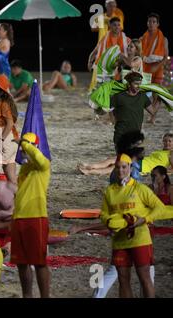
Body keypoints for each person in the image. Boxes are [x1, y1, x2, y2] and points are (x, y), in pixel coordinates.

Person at [100, 153, 166, 298]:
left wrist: (145, 219)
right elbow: (103, 213)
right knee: (123, 281)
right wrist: (109, 222)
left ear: (130, 167)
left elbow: (160, 208)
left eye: (124, 167)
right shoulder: (110, 191)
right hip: (119, 241)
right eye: (117, 168)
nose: (121, 170)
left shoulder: (140, 188)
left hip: (140, 240)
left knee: (144, 278)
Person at [12, 132, 51, 298]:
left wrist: (25, 144)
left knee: (39, 262)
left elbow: (40, 159)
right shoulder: (25, 169)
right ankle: (26, 295)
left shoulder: (43, 166)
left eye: (27, 146)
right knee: (21, 262)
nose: (23, 149)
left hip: (36, 218)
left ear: (35, 147)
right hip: (19, 218)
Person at [110, 72, 155, 151]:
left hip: (136, 136)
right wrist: (113, 120)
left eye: (140, 84)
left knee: (134, 161)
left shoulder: (142, 96)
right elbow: (109, 109)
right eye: (136, 84)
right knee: (122, 160)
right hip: (121, 135)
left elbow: (152, 111)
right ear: (129, 84)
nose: (139, 86)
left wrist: (159, 99)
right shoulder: (118, 96)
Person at [140, 13, 170, 123]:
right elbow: (139, 54)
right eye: (149, 21)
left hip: (158, 69)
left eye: (153, 22)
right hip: (146, 69)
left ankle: (152, 118)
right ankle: (150, 112)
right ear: (147, 23)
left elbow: (165, 57)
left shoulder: (164, 39)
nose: (151, 24)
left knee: (156, 95)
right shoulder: (143, 38)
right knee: (142, 94)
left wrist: (157, 66)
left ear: (158, 24)